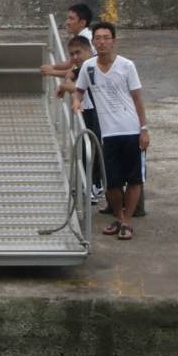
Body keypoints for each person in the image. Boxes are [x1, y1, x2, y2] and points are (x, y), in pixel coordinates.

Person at [74, 21, 149, 241]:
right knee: (111, 182)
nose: (102, 42)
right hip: (108, 133)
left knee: (134, 179)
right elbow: (79, 91)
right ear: (93, 42)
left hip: (130, 129)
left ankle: (127, 221)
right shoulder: (88, 67)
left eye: (106, 38)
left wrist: (143, 130)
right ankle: (118, 216)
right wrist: (76, 102)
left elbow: (137, 99)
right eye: (98, 38)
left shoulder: (127, 66)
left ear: (114, 41)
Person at [45, 35, 104, 199]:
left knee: (94, 147)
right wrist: (68, 79)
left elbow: (78, 87)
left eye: (78, 53)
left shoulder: (94, 66)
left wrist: (64, 85)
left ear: (89, 50)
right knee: (87, 146)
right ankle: (90, 184)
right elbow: (73, 74)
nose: (75, 57)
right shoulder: (85, 67)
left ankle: (95, 185)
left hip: (101, 114)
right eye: (71, 54)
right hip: (93, 110)